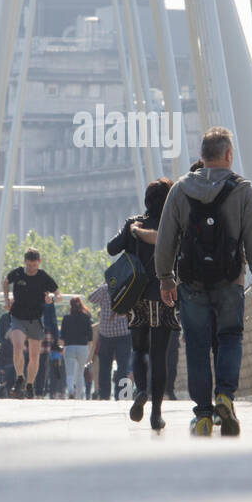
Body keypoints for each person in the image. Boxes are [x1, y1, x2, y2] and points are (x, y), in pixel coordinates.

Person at [156, 127, 252, 436]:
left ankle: (203, 416)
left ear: (202, 157)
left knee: (196, 345)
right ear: (229, 155)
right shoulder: (244, 190)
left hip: (190, 283)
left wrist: (165, 278)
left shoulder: (180, 190)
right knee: (230, 336)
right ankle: (225, 397)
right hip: (230, 281)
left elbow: (166, 238)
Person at [108, 177, 175, 431]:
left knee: (139, 350)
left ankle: (140, 390)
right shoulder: (173, 225)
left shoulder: (133, 223)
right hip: (164, 295)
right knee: (160, 355)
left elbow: (111, 248)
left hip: (136, 298)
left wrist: (130, 230)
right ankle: (156, 413)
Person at [4, 249, 59, 398]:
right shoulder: (18, 273)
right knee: (17, 347)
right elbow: (6, 281)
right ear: (24, 262)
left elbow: (58, 294)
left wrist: (51, 299)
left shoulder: (43, 277)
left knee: (35, 357)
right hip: (18, 317)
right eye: (28, 265)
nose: (31, 269)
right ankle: (20, 377)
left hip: (35, 320)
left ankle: (29, 385)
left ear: (39, 262)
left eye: (34, 265)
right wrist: (6, 299)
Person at [87, 281, 133, 399]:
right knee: (123, 365)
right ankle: (121, 395)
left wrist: (102, 285)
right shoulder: (127, 287)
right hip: (124, 333)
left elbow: (91, 298)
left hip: (106, 334)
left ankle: (104, 395)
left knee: (105, 366)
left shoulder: (104, 289)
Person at [60, 297, 93, 399]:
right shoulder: (86, 318)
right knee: (80, 372)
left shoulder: (66, 318)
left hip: (69, 347)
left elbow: (62, 337)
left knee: (69, 372)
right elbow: (90, 338)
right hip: (83, 348)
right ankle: (80, 394)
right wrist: (89, 352)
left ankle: (70, 390)